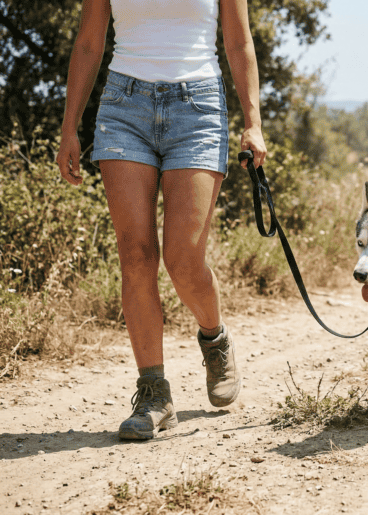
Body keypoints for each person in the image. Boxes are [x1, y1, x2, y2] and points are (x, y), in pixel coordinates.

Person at [55, 0, 267, 440]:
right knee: (135, 254)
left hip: (199, 108)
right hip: (122, 106)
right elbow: (90, 42)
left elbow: (239, 41)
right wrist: (69, 127)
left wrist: (253, 122)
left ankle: (215, 339)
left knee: (184, 260)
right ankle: (154, 393)